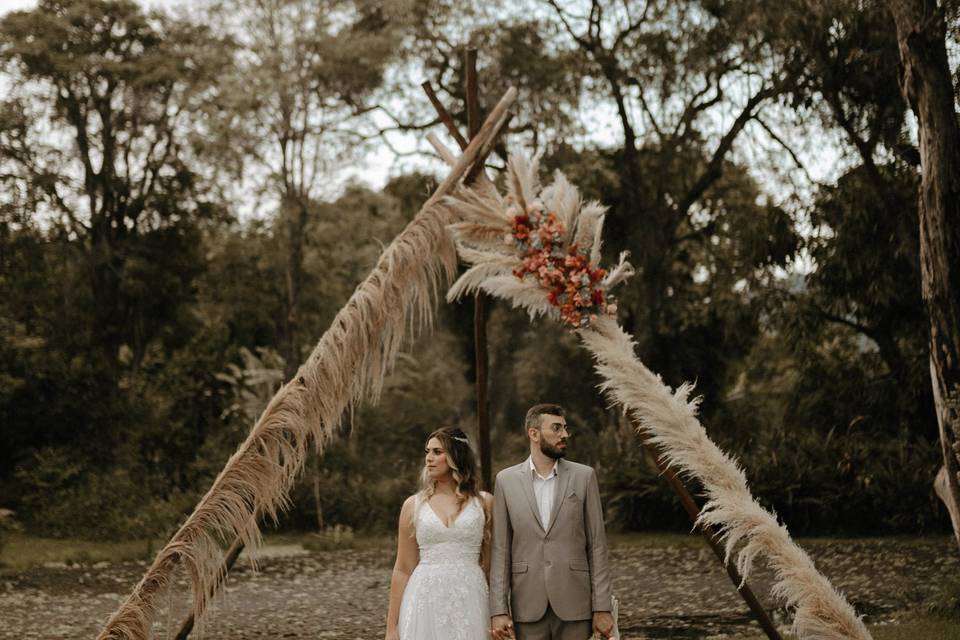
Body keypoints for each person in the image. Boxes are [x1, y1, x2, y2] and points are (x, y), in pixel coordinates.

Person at [489, 404, 616, 640]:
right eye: (556, 428)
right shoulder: (505, 481)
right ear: (534, 434)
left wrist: (602, 607)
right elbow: (500, 549)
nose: (564, 435)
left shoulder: (584, 476)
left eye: (565, 429)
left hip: (575, 605)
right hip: (527, 606)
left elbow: (597, 546)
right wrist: (498, 610)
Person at [384, 426, 494, 640]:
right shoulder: (413, 505)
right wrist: (391, 627)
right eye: (427, 452)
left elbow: (491, 567)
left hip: (471, 598)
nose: (429, 458)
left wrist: (499, 614)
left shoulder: (485, 503)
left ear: (455, 456)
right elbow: (403, 568)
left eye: (437, 452)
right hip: (424, 600)